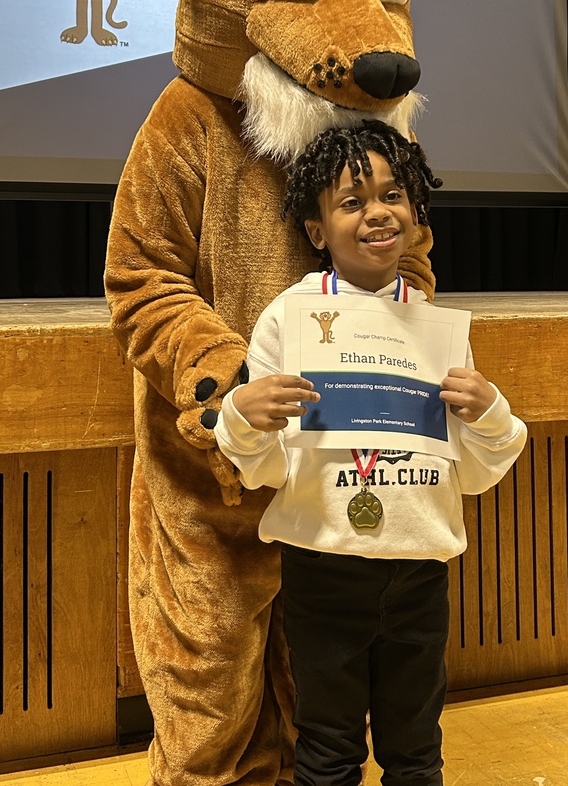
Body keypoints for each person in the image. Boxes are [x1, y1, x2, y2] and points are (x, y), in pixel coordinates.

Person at [214, 120, 527, 786]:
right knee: (327, 750)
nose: (377, 212)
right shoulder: (287, 319)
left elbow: (471, 474)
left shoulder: (436, 329)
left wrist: (488, 410)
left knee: (416, 751)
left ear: (416, 213)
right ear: (317, 231)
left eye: (393, 194)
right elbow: (263, 467)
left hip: (420, 573)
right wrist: (243, 416)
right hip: (323, 569)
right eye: (352, 201)